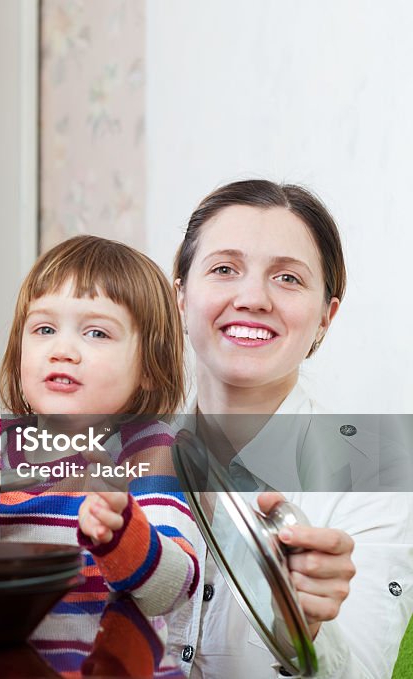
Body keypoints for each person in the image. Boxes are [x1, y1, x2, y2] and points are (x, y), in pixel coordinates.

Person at [171, 179, 413, 678]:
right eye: (223, 269)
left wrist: (307, 633)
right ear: (181, 297)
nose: (254, 298)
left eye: (288, 278)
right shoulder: (117, 451)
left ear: (326, 317)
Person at [0, 235, 200, 618]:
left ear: (150, 369)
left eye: (96, 333)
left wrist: (123, 533)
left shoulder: (151, 451)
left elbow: (170, 591)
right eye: (44, 330)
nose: (62, 350)